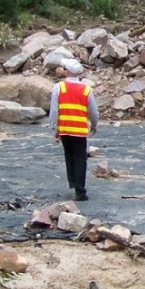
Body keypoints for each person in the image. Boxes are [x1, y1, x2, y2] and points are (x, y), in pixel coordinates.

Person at [48, 57, 99, 201]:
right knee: (80, 158)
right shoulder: (86, 89)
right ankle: (80, 190)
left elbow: (54, 111)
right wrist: (94, 124)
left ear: (67, 72)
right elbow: (93, 111)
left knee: (69, 156)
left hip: (64, 129)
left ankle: (73, 183)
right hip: (80, 131)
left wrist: (54, 129)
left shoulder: (59, 88)